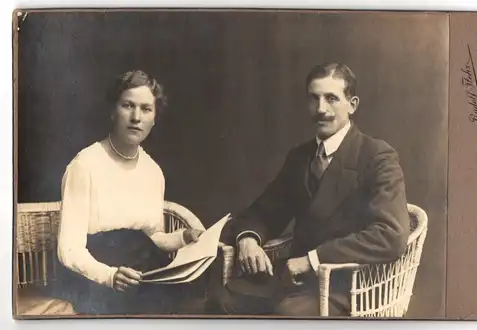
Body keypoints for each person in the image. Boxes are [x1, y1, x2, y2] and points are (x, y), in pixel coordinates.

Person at [212, 62, 411, 316]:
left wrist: (312, 260)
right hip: (292, 280)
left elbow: (391, 234)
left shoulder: (376, 156)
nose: (321, 109)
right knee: (222, 299)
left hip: (351, 285)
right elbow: (263, 211)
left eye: (331, 99)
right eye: (314, 98)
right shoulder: (300, 158)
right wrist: (248, 239)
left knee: (289, 315)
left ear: (353, 105)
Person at [51, 70, 205, 315]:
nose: (136, 117)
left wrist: (184, 237)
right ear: (113, 111)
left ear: (154, 118)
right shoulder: (85, 165)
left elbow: (154, 236)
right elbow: (68, 249)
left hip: (141, 268)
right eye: (127, 106)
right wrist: (110, 276)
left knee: (195, 303)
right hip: (96, 272)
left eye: (146, 109)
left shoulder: (153, 171)